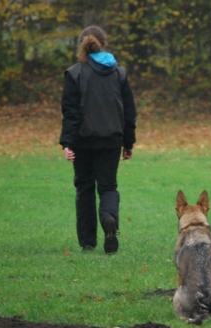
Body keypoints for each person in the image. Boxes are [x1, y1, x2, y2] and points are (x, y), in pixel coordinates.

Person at [59, 25, 137, 254]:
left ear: (81, 44)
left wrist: (67, 143)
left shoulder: (74, 73)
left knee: (84, 189)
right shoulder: (119, 73)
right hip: (112, 141)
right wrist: (128, 143)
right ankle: (109, 218)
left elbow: (71, 112)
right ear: (103, 42)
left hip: (82, 143)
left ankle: (87, 242)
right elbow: (129, 112)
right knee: (108, 187)